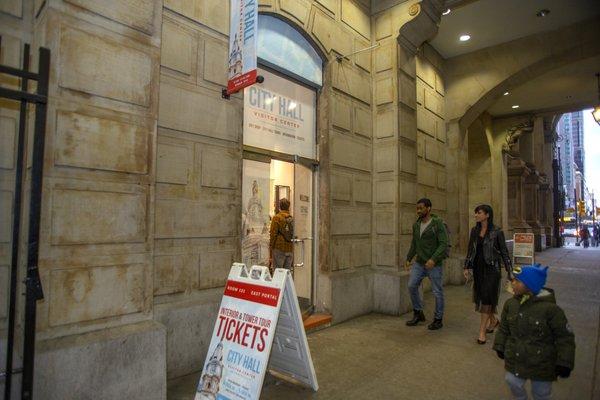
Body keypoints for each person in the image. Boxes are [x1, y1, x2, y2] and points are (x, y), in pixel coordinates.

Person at [493, 264, 575, 400]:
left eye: (517, 281)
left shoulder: (551, 310)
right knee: (512, 381)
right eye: (513, 280)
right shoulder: (511, 305)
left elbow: (564, 337)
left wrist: (565, 362)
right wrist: (500, 345)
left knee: (541, 392)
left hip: (542, 363)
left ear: (530, 285)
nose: (512, 283)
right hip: (517, 358)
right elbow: (504, 328)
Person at [463, 204, 513, 344]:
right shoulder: (474, 230)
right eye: (476, 213)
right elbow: (470, 250)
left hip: (492, 269)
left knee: (486, 298)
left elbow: (504, 252)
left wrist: (510, 270)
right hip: (478, 269)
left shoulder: (497, 232)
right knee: (483, 297)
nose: (476, 215)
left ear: (487, 215)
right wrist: (466, 266)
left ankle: (482, 332)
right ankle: (493, 321)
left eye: (479, 213)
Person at [404, 198, 449, 330]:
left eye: (421, 208)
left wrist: (433, 259)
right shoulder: (416, 225)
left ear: (428, 208)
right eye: (417, 208)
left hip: (434, 264)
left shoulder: (437, 223)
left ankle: (438, 319)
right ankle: (418, 313)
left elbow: (443, 244)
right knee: (412, 286)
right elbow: (415, 243)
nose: (418, 211)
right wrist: (408, 258)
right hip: (419, 263)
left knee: (437, 291)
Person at [269, 198, 294, 270]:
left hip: (279, 248)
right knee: (287, 273)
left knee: (278, 272)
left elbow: (273, 234)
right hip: (289, 248)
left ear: (279, 206)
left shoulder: (277, 218)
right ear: (288, 207)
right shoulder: (291, 218)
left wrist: (271, 247)